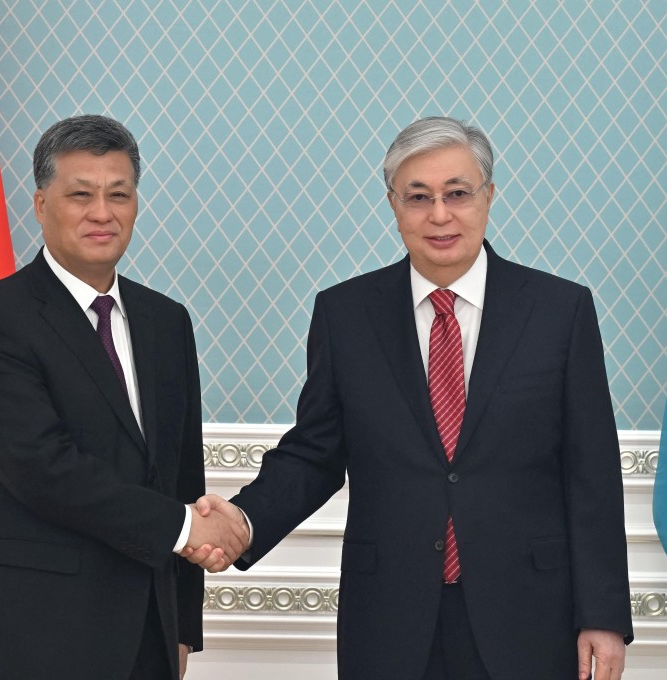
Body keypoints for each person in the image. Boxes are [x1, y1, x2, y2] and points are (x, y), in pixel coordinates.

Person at [187, 117, 633, 679]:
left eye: (457, 194)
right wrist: (244, 522)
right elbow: (315, 452)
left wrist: (604, 616)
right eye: (418, 197)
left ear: (489, 197)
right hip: (390, 618)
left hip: (529, 614)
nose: (439, 215)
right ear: (393, 205)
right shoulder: (346, 314)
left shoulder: (559, 311)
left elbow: (591, 472)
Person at [0, 114, 248, 680]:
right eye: (80, 194)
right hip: (29, 633)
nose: (102, 213)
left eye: (118, 195)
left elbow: (181, 474)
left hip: (147, 637)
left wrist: (183, 629)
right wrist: (184, 529)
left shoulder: (165, 321)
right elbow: (41, 468)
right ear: (39, 204)